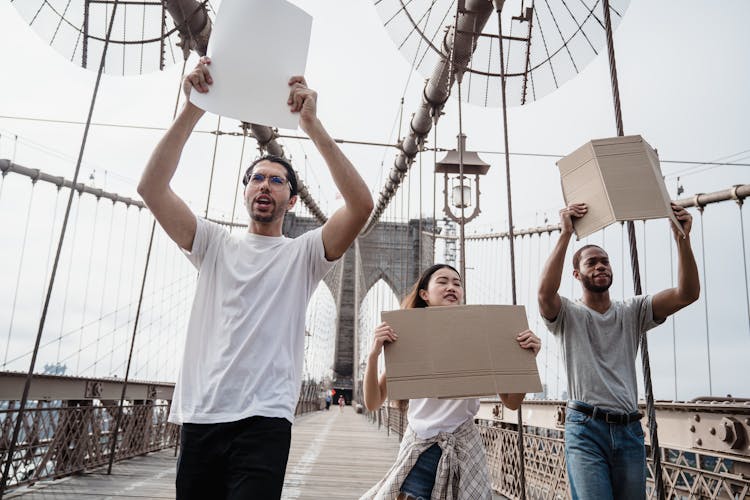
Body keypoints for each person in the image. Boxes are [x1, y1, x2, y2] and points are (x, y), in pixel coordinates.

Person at [137, 56, 373, 499]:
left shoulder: (303, 254)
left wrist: (312, 126)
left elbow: (360, 205)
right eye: (257, 178)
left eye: (277, 181)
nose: (265, 185)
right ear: (245, 190)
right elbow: (151, 188)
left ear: (293, 199)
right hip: (202, 415)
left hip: (265, 420)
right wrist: (194, 107)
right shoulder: (212, 243)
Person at [537, 203, 700, 500]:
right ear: (576, 274)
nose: (600, 266)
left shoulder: (633, 311)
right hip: (585, 429)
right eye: (591, 263)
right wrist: (565, 235)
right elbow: (544, 294)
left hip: (629, 430)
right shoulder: (567, 314)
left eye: (605, 261)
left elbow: (686, 294)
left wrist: (682, 240)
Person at [361, 264, 541, 500]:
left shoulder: (481, 336)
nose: (451, 287)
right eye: (443, 281)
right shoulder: (408, 337)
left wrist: (523, 361)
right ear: (424, 294)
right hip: (421, 449)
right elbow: (373, 402)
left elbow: (512, 402)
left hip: (463, 450)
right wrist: (374, 355)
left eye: (457, 283)